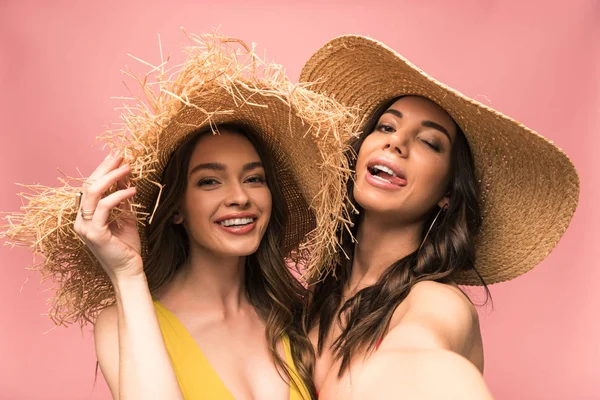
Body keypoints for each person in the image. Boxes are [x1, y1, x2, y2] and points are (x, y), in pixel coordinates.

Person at [4, 33, 358, 400]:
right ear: (175, 208)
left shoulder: (302, 320)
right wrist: (127, 274)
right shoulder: (125, 322)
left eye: (254, 178)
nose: (240, 197)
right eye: (209, 181)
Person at [299, 34, 579, 399]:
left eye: (429, 142)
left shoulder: (436, 302)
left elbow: (424, 353)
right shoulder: (310, 305)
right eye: (385, 126)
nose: (396, 142)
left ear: (447, 193)